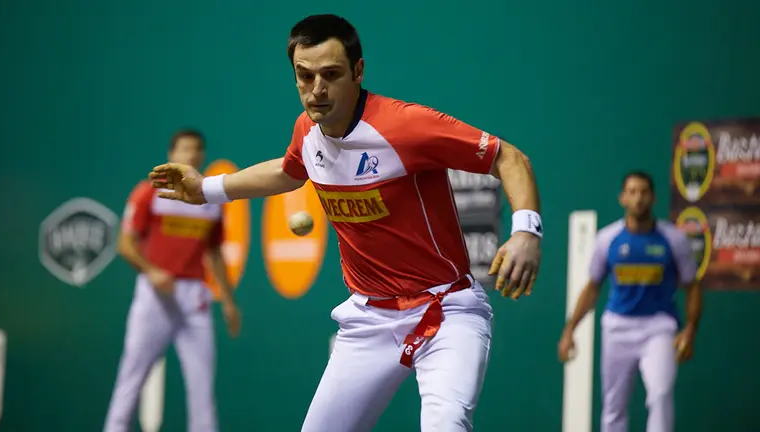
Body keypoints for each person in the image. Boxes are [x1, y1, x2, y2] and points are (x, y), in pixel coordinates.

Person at [149, 14, 543, 432]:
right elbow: (288, 170)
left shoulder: (405, 126)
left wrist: (526, 231)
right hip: (368, 319)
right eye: (305, 76)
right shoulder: (307, 130)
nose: (316, 89)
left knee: (447, 423)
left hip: (446, 311)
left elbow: (508, 157)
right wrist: (206, 189)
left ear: (358, 71)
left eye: (331, 74)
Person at [104, 129, 242, 432]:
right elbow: (125, 244)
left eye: (196, 150)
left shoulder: (209, 200)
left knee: (202, 384)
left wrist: (229, 302)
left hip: (195, 298)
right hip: (154, 296)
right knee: (132, 375)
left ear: (202, 156)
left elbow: (215, 253)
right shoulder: (148, 192)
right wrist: (151, 270)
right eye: (184, 149)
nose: (190, 155)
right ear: (171, 155)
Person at [558, 171, 703, 432]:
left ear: (653, 197)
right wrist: (570, 330)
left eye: (644, 192)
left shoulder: (674, 239)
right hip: (617, 328)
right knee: (613, 406)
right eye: (632, 192)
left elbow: (692, 286)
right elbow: (592, 287)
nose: (638, 198)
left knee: (660, 395)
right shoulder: (607, 239)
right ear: (622, 198)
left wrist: (690, 330)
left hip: (659, 328)